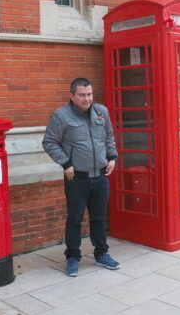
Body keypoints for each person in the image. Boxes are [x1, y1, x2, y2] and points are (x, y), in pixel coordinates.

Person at [42, 77, 121, 277]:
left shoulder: (101, 112)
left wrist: (112, 157)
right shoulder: (61, 116)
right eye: (82, 95)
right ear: (72, 96)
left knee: (99, 218)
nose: (87, 99)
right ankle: (72, 257)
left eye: (89, 94)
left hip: (101, 175)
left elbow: (109, 136)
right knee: (75, 219)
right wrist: (65, 163)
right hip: (77, 177)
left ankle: (102, 253)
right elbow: (49, 142)